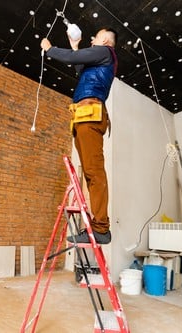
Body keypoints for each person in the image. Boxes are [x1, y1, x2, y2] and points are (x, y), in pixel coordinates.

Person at [40, 28, 118, 244]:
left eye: (96, 36)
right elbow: (80, 67)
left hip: (90, 114)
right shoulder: (100, 57)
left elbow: (74, 59)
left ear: (104, 39)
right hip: (83, 116)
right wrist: (75, 45)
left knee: (94, 172)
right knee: (91, 173)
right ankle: (98, 226)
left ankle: (101, 228)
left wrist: (50, 49)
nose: (92, 39)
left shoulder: (105, 51)